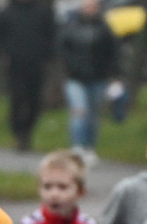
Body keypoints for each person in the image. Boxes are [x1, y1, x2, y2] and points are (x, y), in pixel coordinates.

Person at [58, 0, 118, 165]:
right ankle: (77, 146)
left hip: (98, 79)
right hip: (76, 78)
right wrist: (70, 67)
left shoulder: (104, 29)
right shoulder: (71, 26)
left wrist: (112, 74)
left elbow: (112, 52)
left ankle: (89, 147)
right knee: (79, 111)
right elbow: (63, 48)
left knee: (93, 115)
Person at [0, 0, 56, 152]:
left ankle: (28, 131)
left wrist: (48, 58)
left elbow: (51, 35)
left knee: (34, 101)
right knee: (17, 98)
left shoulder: (43, 11)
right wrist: (1, 56)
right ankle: (18, 132)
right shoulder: (8, 11)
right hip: (15, 64)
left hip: (36, 63)